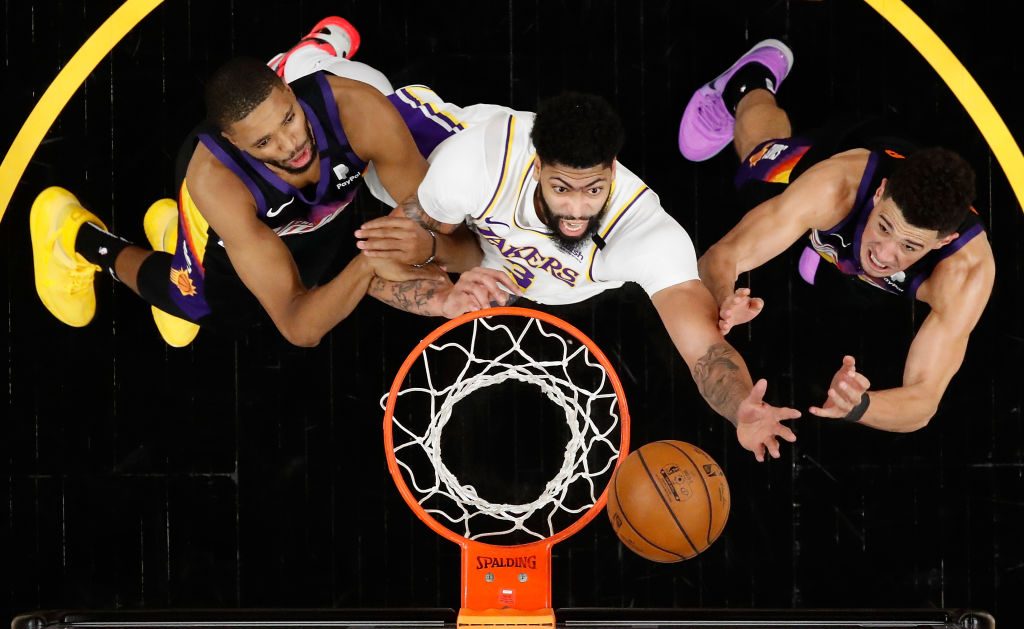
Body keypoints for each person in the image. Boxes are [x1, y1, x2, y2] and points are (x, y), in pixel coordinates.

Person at [272, 43, 805, 463]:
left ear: (613, 172)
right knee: (354, 132)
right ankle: (312, 63)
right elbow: (379, 266)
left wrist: (742, 409)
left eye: (593, 190)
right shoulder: (469, 167)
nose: (577, 210)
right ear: (537, 167)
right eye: (561, 189)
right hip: (435, 153)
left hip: (487, 252)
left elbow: (707, 353)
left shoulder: (644, 234)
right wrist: (435, 283)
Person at [30, 18, 491, 349]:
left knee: (333, 259)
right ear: (234, 142)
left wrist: (441, 284)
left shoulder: (361, 111)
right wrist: (379, 263)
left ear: (290, 90)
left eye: (288, 119)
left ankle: (309, 53)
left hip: (317, 192)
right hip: (232, 216)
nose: (291, 146)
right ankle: (76, 238)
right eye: (265, 142)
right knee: (212, 309)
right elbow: (299, 325)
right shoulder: (217, 183)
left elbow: (448, 233)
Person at [677, 39, 995, 431]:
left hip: (858, 244)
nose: (885, 252)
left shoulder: (966, 271)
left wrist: (861, 405)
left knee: (852, 276)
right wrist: (725, 298)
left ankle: (828, 245)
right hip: (851, 156)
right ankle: (747, 83)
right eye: (884, 226)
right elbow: (720, 256)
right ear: (880, 194)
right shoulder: (834, 188)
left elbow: (923, 401)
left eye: (910, 246)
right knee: (759, 162)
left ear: (942, 243)